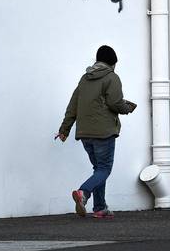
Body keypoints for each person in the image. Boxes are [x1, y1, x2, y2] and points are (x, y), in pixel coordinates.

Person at [55, 45, 136, 219]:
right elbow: (115, 103)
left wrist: (64, 130)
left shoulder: (85, 79)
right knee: (104, 169)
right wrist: (128, 107)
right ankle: (83, 192)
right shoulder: (112, 78)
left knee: (98, 169)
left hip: (85, 134)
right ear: (113, 63)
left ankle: (100, 207)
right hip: (103, 132)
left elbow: (73, 106)